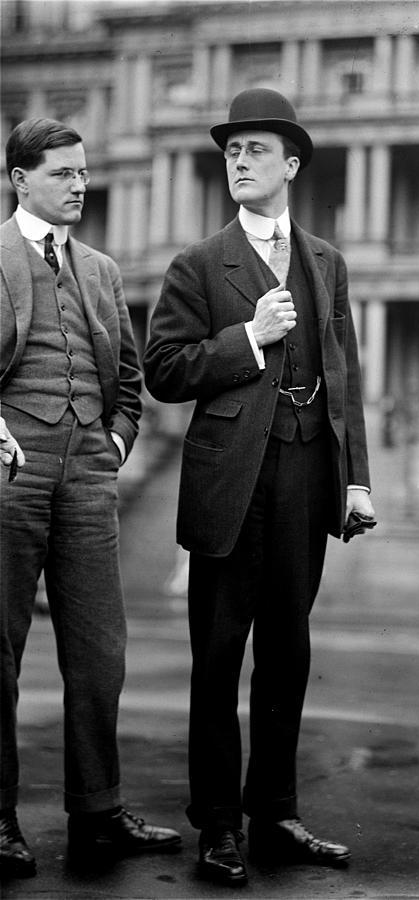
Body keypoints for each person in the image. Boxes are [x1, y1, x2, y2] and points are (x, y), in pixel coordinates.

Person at [144, 88, 375, 887]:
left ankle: (275, 814)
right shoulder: (199, 265)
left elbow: (343, 378)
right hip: (227, 482)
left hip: (309, 476)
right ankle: (218, 826)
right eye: (231, 152)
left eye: (255, 151)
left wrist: (358, 482)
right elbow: (165, 370)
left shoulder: (327, 262)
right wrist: (247, 338)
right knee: (217, 659)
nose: (239, 163)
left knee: (288, 655)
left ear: (291, 165)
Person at [0, 118, 181, 879]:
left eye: (83, 173)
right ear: (20, 178)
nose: (80, 184)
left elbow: (131, 384)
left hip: (89, 473)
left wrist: (112, 446)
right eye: (63, 173)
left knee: (101, 652)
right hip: (10, 467)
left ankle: (98, 810)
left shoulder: (103, 270)